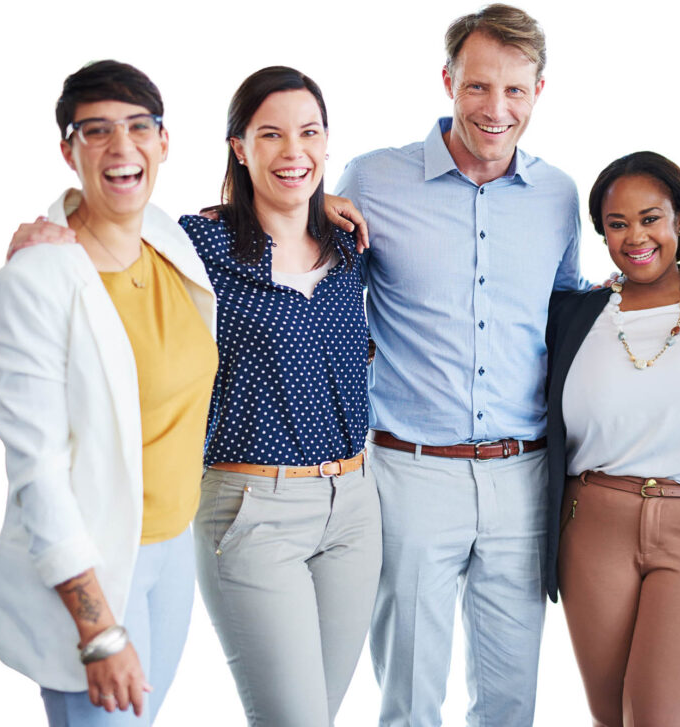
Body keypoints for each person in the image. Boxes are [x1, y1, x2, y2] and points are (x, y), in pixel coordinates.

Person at [333, 5, 583, 725]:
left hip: (523, 477)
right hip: (411, 472)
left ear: (540, 92)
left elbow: (566, 314)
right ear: (446, 81)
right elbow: (318, 291)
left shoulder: (560, 195)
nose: (495, 109)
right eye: (477, 87)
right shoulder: (373, 179)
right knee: (409, 697)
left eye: (515, 91)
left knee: (510, 701)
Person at [0, 60, 218, 725]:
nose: (122, 147)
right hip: (96, 568)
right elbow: (39, 476)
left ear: (164, 142)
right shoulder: (34, 283)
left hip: (173, 553)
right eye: (97, 131)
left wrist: (330, 203)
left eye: (140, 126)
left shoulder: (168, 238)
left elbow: (267, 207)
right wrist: (100, 629)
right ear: (67, 149)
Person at [182, 67, 381, 727]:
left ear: (327, 143)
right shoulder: (201, 243)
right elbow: (115, 235)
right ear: (240, 147)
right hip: (252, 511)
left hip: (354, 509)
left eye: (308, 132)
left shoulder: (347, 247)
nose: (293, 150)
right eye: (271, 134)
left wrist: (312, 204)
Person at [544, 152, 680, 727]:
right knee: (609, 717)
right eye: (617, 224)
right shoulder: (573, 314)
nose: (635, 237)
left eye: (651, 219)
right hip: (591, 524)